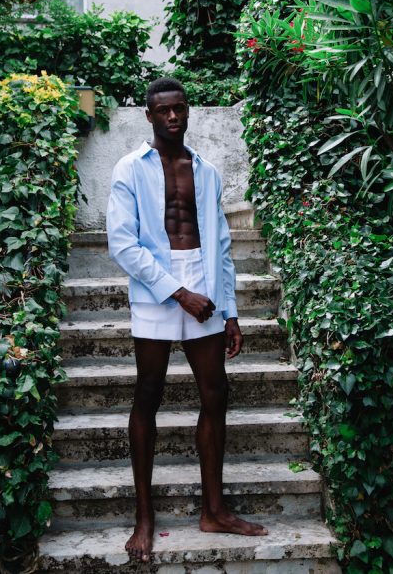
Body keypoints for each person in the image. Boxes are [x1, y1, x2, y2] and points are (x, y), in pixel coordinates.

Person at [106, 77, 268, 563]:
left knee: (216, 393)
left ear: (188, 110)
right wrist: (178, 293)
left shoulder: (207, 170)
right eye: (163, 110)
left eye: (179, 108)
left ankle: (213, 510)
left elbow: (220, 244)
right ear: (149, 115)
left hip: (203, 278)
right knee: (148, 393)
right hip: (157, 287)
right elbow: (122, 243)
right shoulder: (130, 168)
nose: (173, 116)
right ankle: (144, 517)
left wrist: (230, 310)